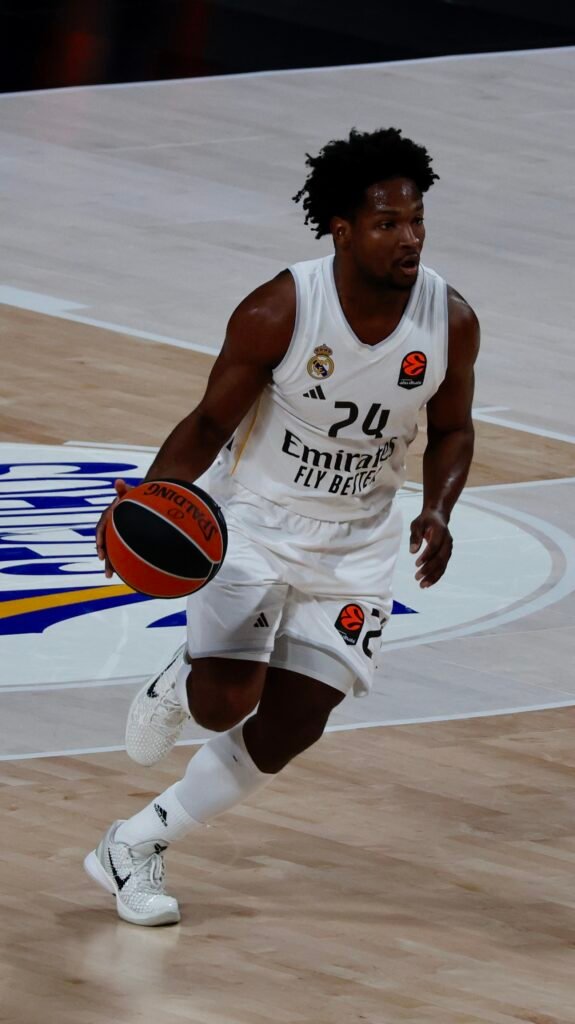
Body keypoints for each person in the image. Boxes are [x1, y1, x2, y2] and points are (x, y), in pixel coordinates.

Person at [84, 127, 480, 926]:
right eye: (387, 224)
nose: (409, 238)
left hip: (358, 541)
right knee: (222, 703)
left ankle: (134, 843)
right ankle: (182, 679)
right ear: (342, 230)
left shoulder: (450, 321)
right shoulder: (280, 310)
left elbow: (452, 429)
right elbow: (207, 422)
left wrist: (437, 509)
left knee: (296, 722)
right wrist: (142, 504)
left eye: (416, 221)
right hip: (255, 526)